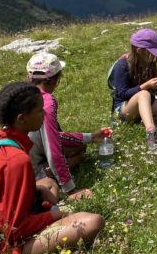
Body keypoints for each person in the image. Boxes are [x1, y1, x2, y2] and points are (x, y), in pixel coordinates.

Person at [0, 82, 104, 254]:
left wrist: (36, 190)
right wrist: (59, 214)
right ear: (22, 118)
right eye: (40, 111)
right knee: (92, 222)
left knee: (47, 184)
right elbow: (13, 230)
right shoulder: (17, 161)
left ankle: (45, 205)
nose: (45, 115)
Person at [26, 53, 106, 200]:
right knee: (80, 155)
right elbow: (52, 147)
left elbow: (50, 136)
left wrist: (89, 138)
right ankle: (44, 173)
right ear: (55, 80)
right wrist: (70, 189)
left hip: (21, 158)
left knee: (80, 147)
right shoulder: (46, 103)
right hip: (29, 171)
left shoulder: (21, 95)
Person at [109, 28, 157, 149]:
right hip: (126, 107)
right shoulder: (122, 65)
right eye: (152, 52)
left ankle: (145, 119)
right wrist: (145, 86)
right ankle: (152, 134)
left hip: (147, 102)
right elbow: (122, 94)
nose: (155, 56)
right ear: (139, 51)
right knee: (144, 94)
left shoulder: (150, 63)